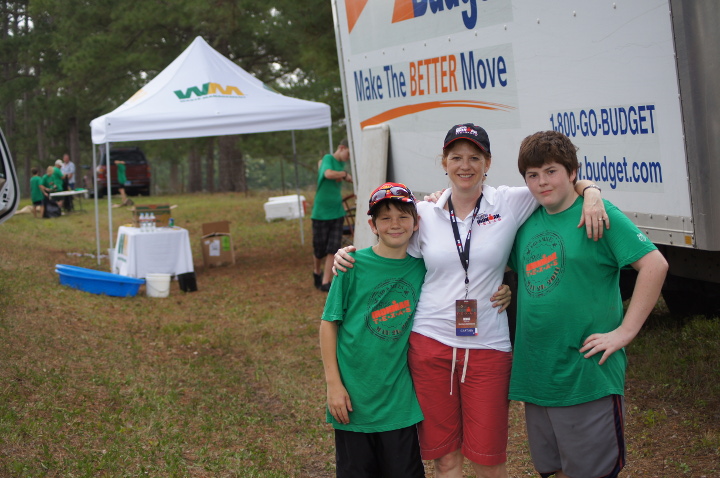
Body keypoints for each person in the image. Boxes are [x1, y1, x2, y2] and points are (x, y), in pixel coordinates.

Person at [334, 123, 608, 478]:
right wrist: (347, 254)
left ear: (488, 162)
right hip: (429, 345)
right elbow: (388, 249)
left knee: (488, 459)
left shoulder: (510, 201)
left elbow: (561, 184)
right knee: (445, 458)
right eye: (456, 157)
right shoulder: (423, 213)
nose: (465, 165)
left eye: (474, 157)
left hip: (489, 348)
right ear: (444, 162)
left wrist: (593, 192)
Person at [507, 130, 668, 478]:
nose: (541, 182)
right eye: (532, 175)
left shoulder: (596, 214)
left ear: (572, 172)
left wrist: (625, 332)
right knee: (554, 470)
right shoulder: (524, 221)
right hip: (537, 375)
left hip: (586, 374)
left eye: (551, 171)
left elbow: (655, 265)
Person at [320, 182, 426, 478]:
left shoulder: (423, 269)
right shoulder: (352, 265)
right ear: (372, 225)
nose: (395, 224)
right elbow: (329, 324)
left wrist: (505, 289)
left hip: (398, 404)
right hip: (353, 402)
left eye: (404, 216)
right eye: (385, 218)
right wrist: (333, 385)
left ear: (416, 223)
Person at [311, 138, 352, 292]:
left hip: (337, 212)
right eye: (348, 154)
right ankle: (316, 271)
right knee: (319, 249)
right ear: (341, 148)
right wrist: (343, 174)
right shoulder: (328, 159)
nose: (348, 158)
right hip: (321, 213)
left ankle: (325, 281)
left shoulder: (341, 165)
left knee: (332, 248)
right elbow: (327, 174)